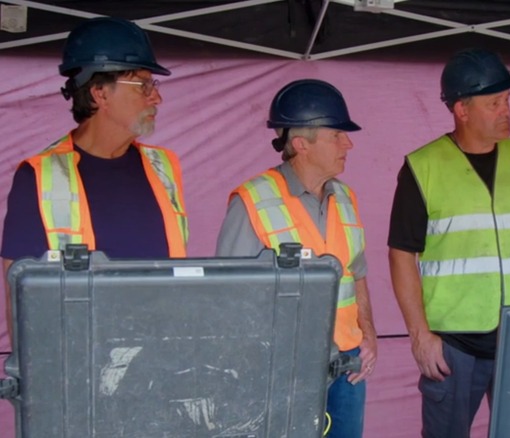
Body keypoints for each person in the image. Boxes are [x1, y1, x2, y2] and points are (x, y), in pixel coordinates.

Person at [387, 48, 510, 437]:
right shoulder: (423, 166)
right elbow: (401, 253)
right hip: (453, 348)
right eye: (494, 103)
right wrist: (420, 335)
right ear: (461, 109)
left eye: (506, 100)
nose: (506, 111)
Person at [2, 17, 188, 336]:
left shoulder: (164, 166)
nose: (156, 98)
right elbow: (19, 300)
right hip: (80, 368)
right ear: (100, 93)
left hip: (162, 359)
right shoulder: (38, 176)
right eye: (143, 85)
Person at [215, 79, 378, 438]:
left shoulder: (345, 197)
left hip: (347, 370)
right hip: (283, 372)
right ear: (301, 144)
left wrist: (369, 335)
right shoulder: (253, 201)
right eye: (337, 135)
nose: (348, 143)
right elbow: (228, 298)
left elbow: (357, 273)